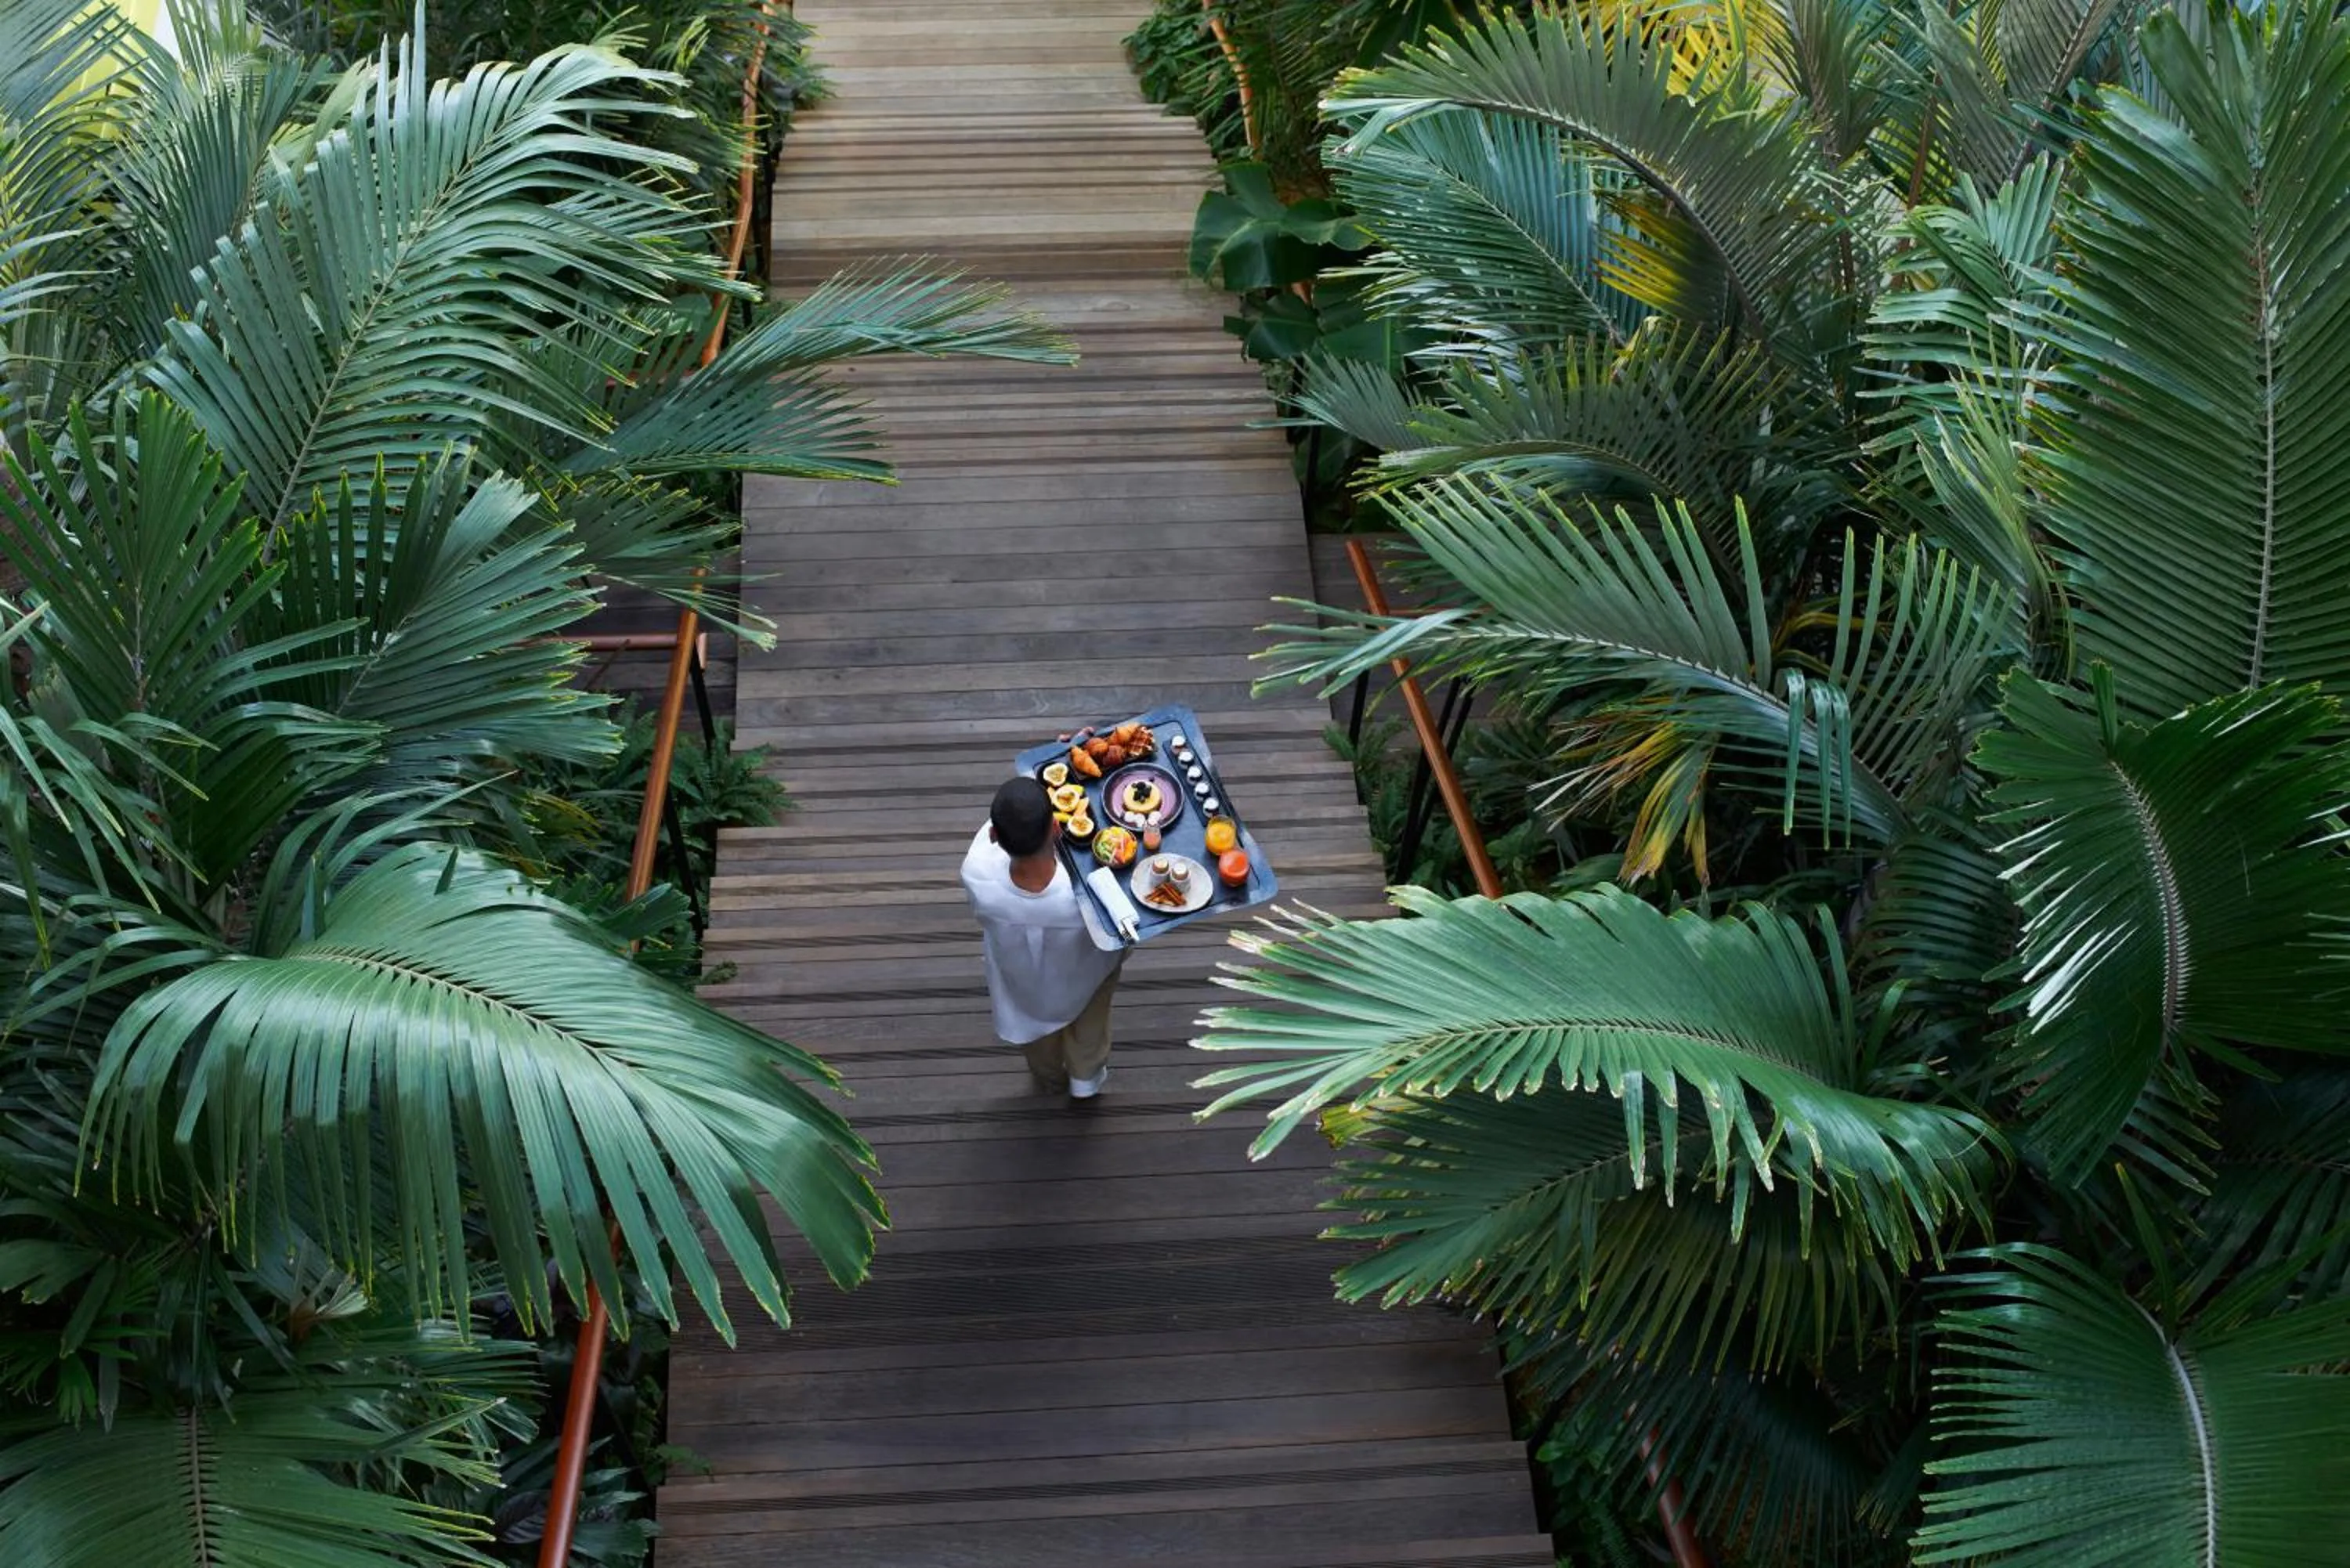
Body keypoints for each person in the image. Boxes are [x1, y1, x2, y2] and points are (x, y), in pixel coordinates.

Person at [960, 776, 1126, 1098]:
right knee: (1089, 1027)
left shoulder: (976, 872)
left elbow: (1011, 817)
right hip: (1085, 972)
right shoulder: (1086, 892)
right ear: (1056, 829)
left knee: (1038, 1042)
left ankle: (1050, 1081)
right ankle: (1085, 1082)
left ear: (995, 835)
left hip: (1021, 979)